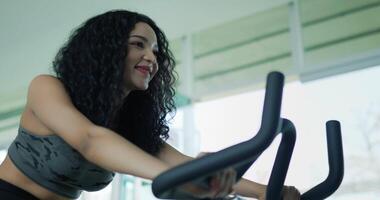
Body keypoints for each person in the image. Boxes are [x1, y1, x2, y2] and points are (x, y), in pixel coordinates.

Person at [0, 10, 300, 200]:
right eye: (138, 44)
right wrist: (181, 181)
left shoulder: (127, 126)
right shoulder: (47, 88)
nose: (152, 58)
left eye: (156, 51)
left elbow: (183, 164)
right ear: (104, 50)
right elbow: (89, 140)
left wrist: (261, 193)